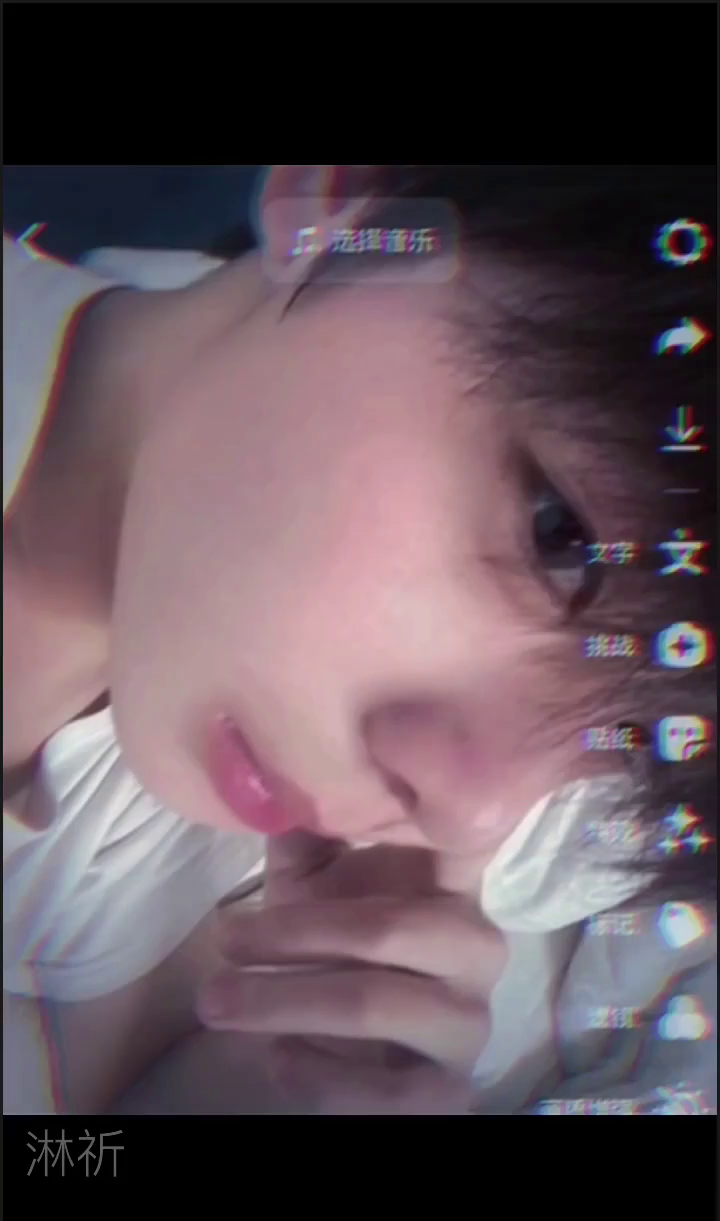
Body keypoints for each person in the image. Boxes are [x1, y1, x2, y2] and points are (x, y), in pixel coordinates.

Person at [3, 165, 716, 1116]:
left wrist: (297, 1067)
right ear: (353, 200)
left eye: (623, 741)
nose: (473, 815)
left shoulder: (184, 698)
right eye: (559, 538)